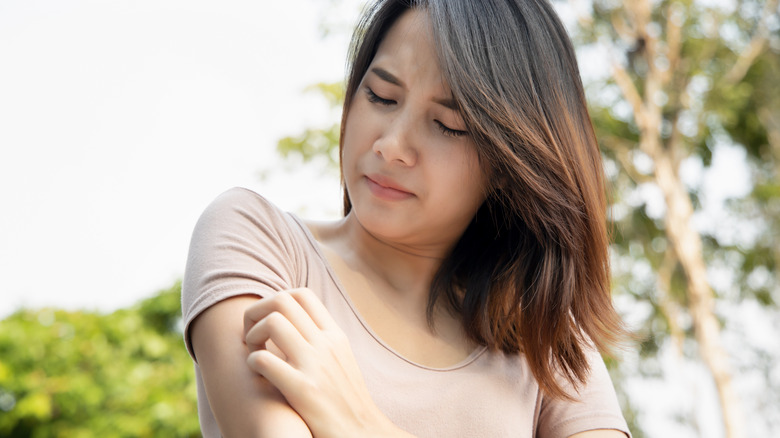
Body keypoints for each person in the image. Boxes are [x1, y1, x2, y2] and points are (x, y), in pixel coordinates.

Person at [181, 0, 632, 436]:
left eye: (448, 124)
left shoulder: (545, 339)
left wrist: (360, 423)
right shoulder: (260, 241)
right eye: (381, 96)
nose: (391, 145)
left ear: (509, 161)